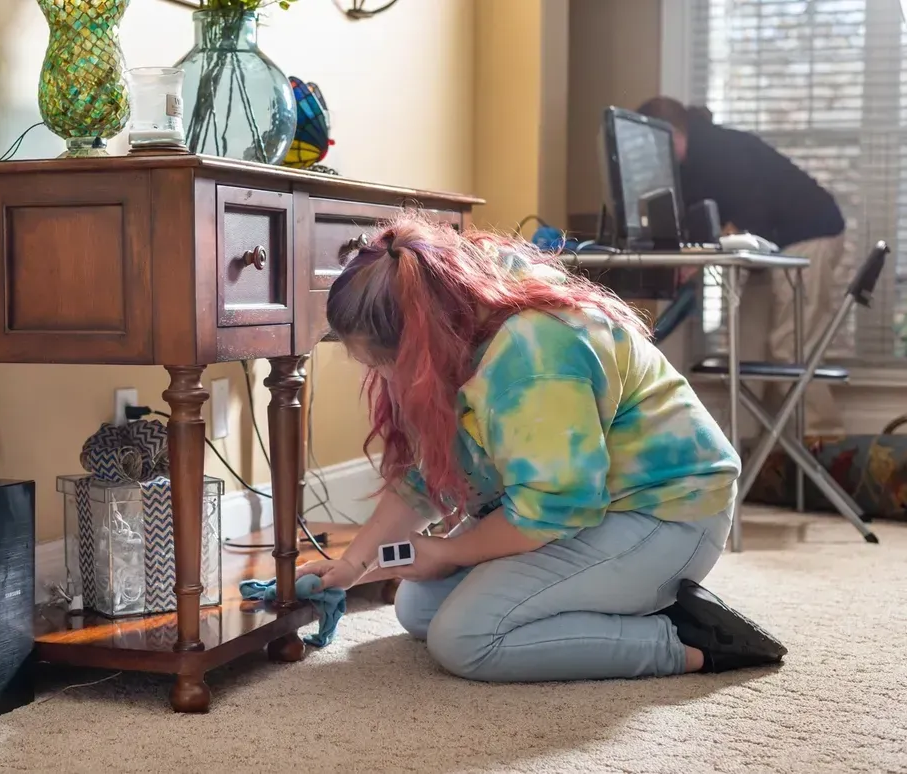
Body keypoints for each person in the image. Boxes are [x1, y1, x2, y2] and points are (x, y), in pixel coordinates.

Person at [296, 213, 787, 683]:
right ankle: (623, 597)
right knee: (418, 609)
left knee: (466, 639)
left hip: (665, 514)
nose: (381, 377)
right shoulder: (463, 309)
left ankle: (688, 639)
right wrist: (353, 563)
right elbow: (427, 476)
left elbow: (553, 508)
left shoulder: (534, 359)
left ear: (421, 337)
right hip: (584, 505)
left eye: (383, 362)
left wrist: (451, 551)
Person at [637, 96, 847, 437]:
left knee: (791, 346)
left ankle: (824, 444)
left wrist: (701, 255)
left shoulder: (721, 150)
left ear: (669, 134)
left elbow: (752, 218)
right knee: (746, 345)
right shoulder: (690, 166)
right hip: (772, 245)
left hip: (810, 234)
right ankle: (746, 445)